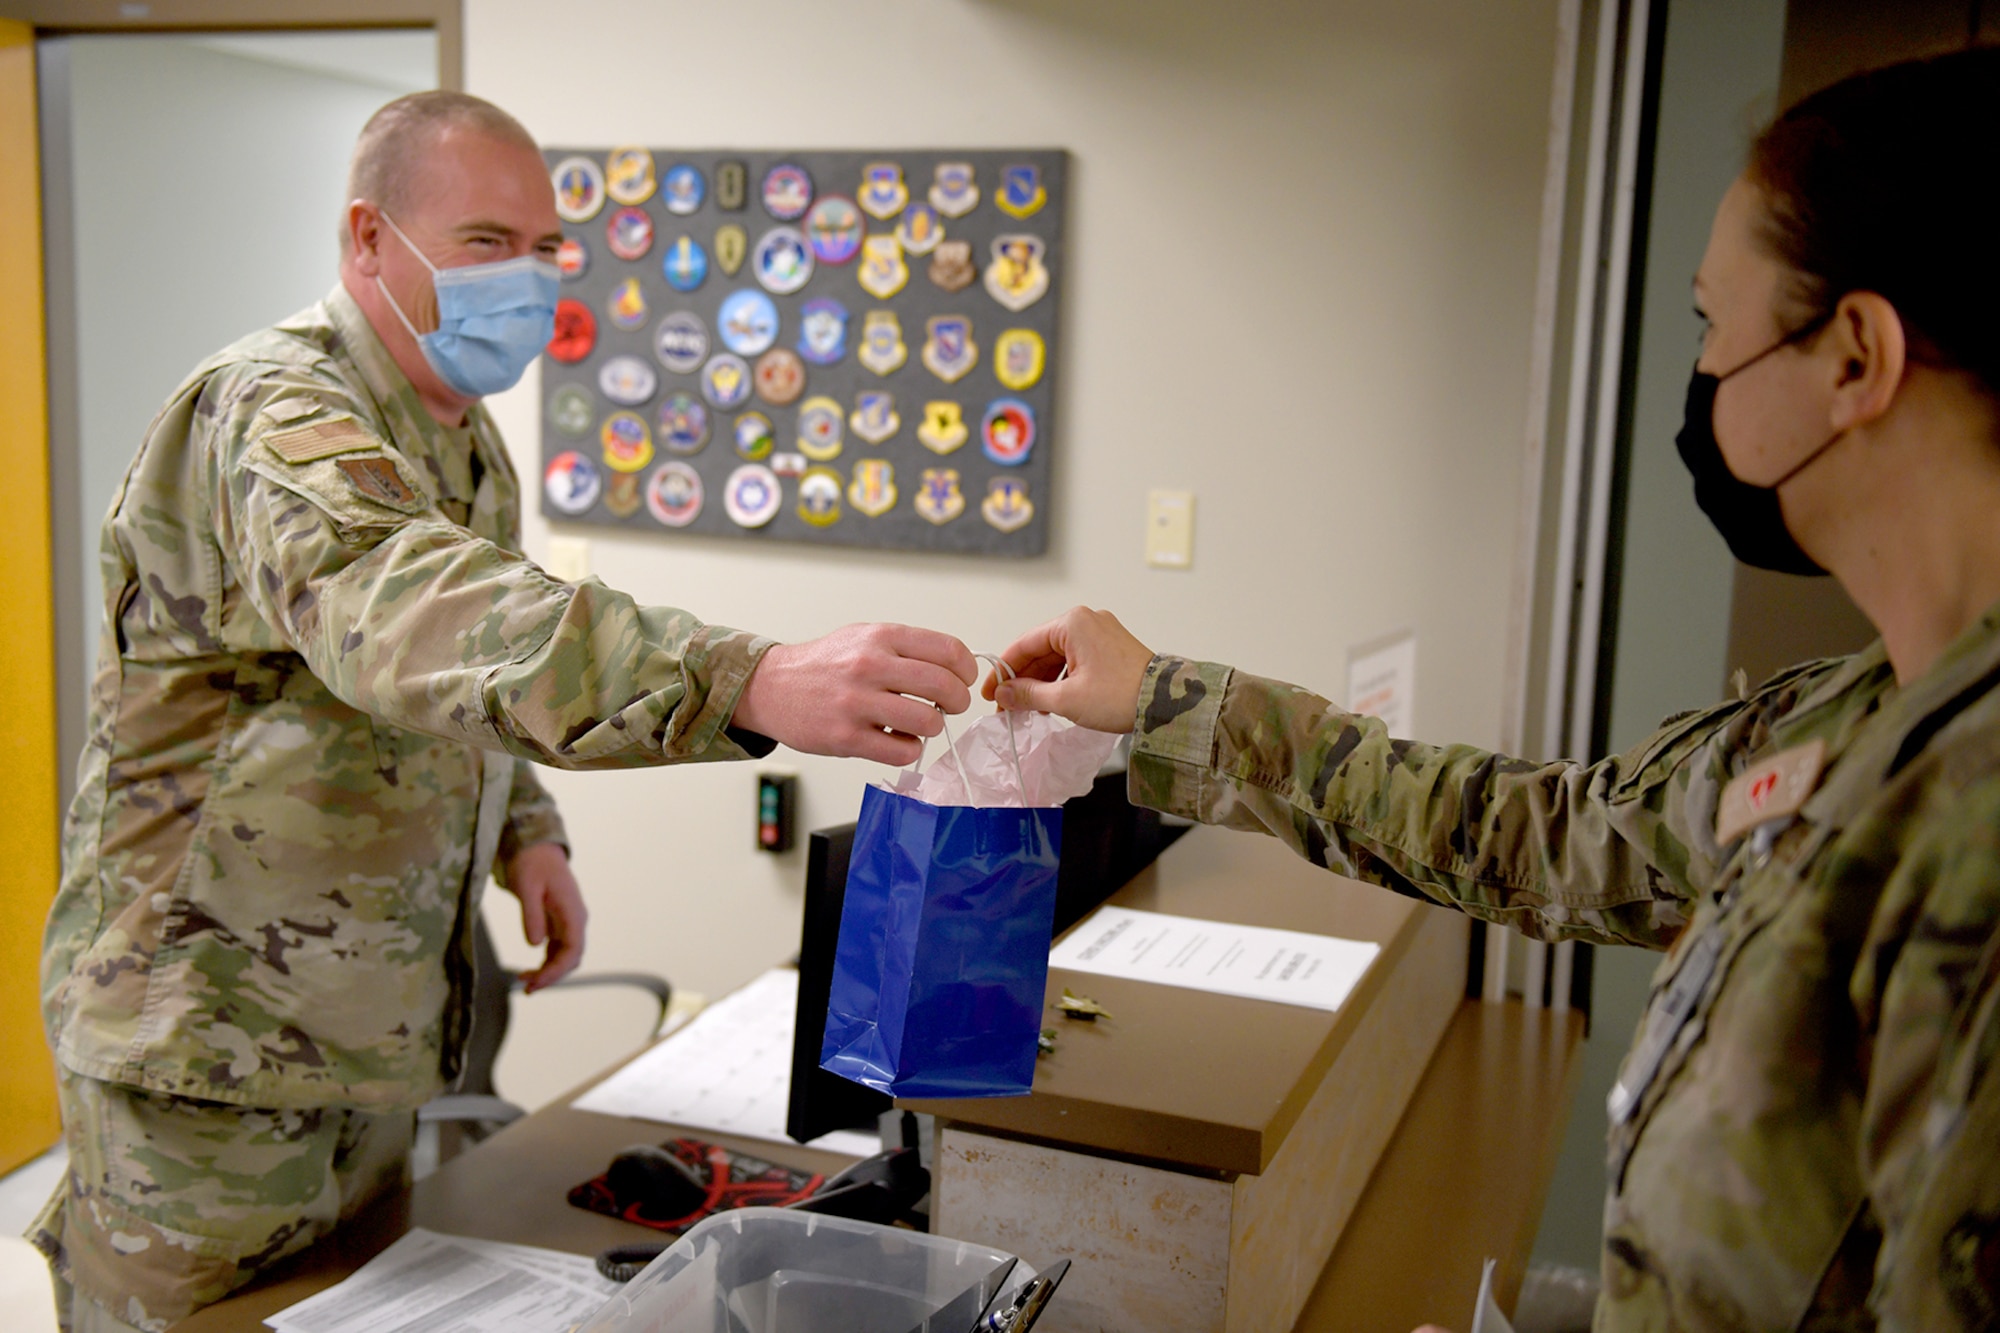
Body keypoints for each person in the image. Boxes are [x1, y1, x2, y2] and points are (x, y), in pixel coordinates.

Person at [993, 47, 2000, 1333]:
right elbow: (1543, 832)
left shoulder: (1970, 818)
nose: (1699, 377)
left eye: (1711, 322)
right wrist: (1162, 701)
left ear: (1853, 355)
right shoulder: (1856, 718)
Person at [32, 91, 977, 1332]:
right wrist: (749, 676)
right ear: (368, 238)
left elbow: (451, 675)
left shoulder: (461, 439)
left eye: (544, 247)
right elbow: (409, 616)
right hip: (208, 1047)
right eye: (485, 241)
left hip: (366, 1038)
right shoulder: (273, 411)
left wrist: (528, 829)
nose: (526, 276)